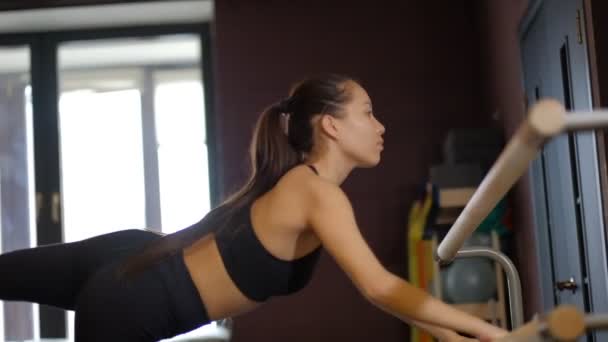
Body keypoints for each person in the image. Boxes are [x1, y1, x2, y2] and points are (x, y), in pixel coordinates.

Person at [0, 74, 508, 341]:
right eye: (368, 113)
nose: (381, 127)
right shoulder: (316, 192)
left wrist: (453, 334)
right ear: (330, 125)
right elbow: (379, 286)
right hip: (130, 298)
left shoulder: (308, 190)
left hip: (134, 261)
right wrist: (487, 329)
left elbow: (385, 293)